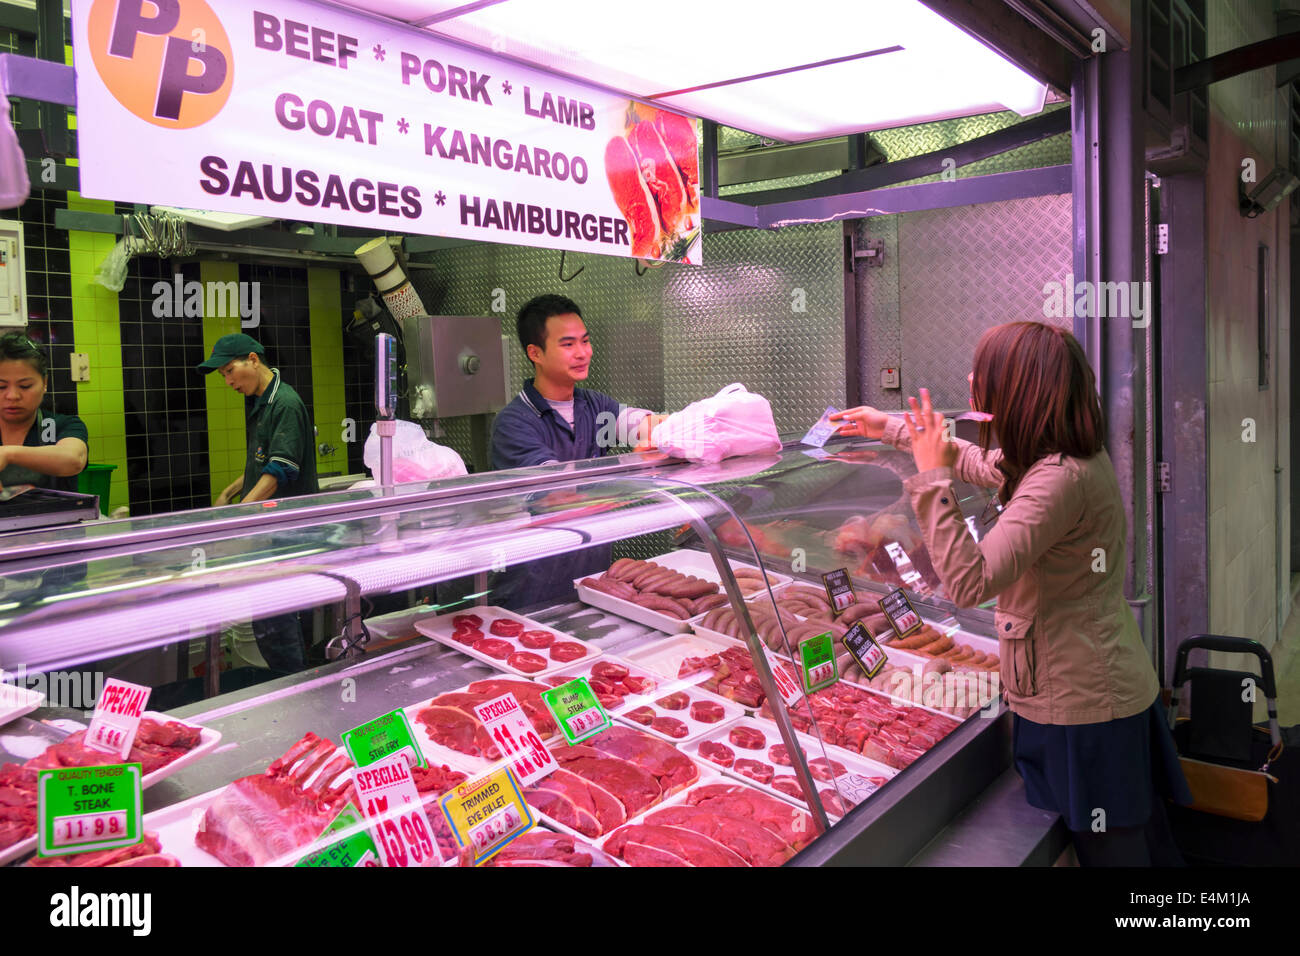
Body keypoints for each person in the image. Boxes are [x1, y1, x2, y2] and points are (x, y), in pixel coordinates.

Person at [832, 321, 1191, 866]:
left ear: (1020, 389)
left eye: (984, 371)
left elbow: (968, 583)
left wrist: (930, 480)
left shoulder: (1058, 480)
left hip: (1083, 707)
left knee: (1119, 855)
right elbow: (978, 461)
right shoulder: (1053, 459)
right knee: (1129, 844)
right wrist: (891, 429)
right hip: (1079, 692)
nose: (973, 378)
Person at [489, 295, 664, 608]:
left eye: (585, 341)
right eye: (568, 344)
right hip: (532, 591)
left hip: (590, 583)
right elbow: (558, 494)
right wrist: (633, 479)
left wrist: (653, 434)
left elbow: (646, 423)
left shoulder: (594, 406)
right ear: (535, 353)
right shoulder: (514, 422)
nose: (583, 353)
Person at [197, 333, 318, 672]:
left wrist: (239, 515)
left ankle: (298, 688)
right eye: (222, 375)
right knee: (269, 623)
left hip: (285, 537)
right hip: (268, 534)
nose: (228, 380)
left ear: (253, 359)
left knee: (277, 626)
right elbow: (263, 462)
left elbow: (279, 471)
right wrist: (232, 490)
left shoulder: (285, 403)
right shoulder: (261, 400)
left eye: (229, 370)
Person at [0, 332, 88, 492]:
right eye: (1, 386)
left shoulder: (63, 425)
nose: (12, 396)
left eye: (25, 385)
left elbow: (74, 460)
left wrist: (7, 454)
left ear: (45, 383)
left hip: (57, 517)